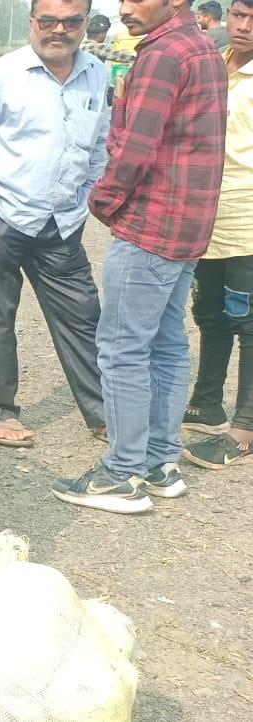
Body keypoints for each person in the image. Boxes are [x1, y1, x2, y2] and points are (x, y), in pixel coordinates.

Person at [57, 0, 229, 513]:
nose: (124, 8)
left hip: (152, 225)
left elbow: (135, 148)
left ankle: (122, 473)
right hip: (188, 225)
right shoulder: (201, 46)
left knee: (123, 348)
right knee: (169, 342)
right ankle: (160, 462)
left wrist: (102, 200)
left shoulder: (163, 54)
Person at [0, 0, 109, 450]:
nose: (59, 30)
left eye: (71, 21)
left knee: (83, 316)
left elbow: (99, 146)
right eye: (48, 21)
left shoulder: (98, 73)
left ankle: (101, 412)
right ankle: (0, 409)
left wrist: (83, 201)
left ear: (85, 24)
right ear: (32, 22)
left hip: (61, 224)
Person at [184, 0, 253, 469]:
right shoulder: (216, 62)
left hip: (247, 217)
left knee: (247, 320)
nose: (243, 26)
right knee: (208, 312)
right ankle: (207, 402)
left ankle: (246, 426)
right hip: (205, 212)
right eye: (238, 15)